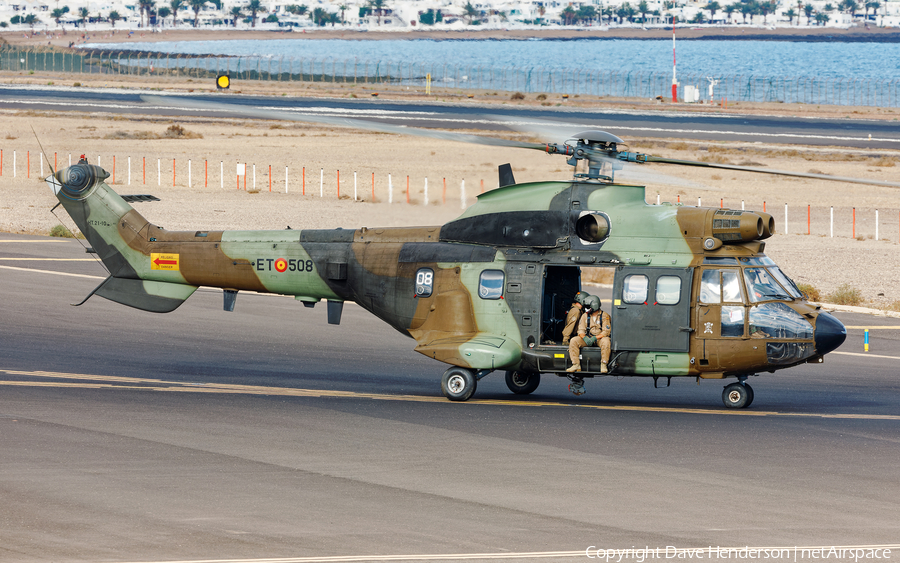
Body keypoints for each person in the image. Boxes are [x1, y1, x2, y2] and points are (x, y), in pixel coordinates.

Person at [566, 295, 611, 374]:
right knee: (574, 340)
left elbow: (606, 332)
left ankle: (604, 363)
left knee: (606, 341)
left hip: (599, 339)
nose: (586, 308)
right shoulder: (585, 316)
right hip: (588, 338)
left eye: (588, 306)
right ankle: (576, 364)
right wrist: (584, 338)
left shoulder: (604, 316)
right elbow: (581, 330)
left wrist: (595, 338)